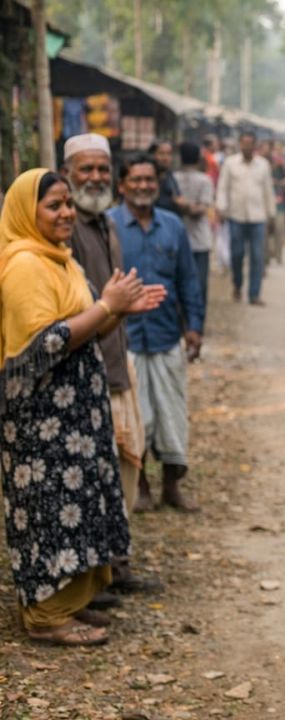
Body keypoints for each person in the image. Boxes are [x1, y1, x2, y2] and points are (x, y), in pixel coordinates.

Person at [0, 168, 163, 645]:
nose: (67, 212)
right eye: (54, 205)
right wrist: (106, 305)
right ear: (27, 214)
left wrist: (115, 311)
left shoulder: (61, 260)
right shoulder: (24, 265)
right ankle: (47, 617)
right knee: (50, 512)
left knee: (76, 507)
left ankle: (70, 601)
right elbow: (46, 343)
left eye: (68, 203)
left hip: (75, 419)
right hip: (40, 423)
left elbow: (85, 331)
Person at [63, 133, 165, 595]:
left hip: (118, 361)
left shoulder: (105, 224)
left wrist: (127, 306)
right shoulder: (65, 231)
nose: (95, 177)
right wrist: (113, 307)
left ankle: (116, 566)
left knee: (125, 467)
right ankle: (97, 574)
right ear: (68, 173)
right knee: (97, 475)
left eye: (102, 169)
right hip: (87, 369)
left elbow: (111, 299)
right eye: (86, 169)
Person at [108, 154, 206, 513]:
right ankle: (143, 487)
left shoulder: (172, 226)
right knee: (138, 418)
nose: (143, 186)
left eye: (149, 179)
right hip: (125, 340)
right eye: (135, 179)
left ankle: (171, 486)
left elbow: (188, 280)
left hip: (167, 336)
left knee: (172, 414)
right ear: (122, 185)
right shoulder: (108, 226)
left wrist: (194, 326)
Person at [215, 130, 274, 305]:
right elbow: (222, 188)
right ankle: (237, 285)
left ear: (255, 145)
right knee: (237, 254)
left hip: (258, 217)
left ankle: (254, 294)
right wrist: (221, 208)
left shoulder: (263, 165)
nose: (247, 147)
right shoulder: (230, 164)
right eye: (244, 143)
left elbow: (268, 191)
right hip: (236, 216)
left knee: (257, 256)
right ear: (240, 145)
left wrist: (270, 215)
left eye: (250, 143)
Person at [172, 142, 215, 306]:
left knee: (179, 283)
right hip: (199, 240)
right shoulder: (205, 180)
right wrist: (192, 207)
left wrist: (181, 205)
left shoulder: (173, 179)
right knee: (199, 285)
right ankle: (197, 324)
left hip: (178, 240)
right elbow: (203, 208)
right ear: (198, 159)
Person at [267, 139, 285, 263]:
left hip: (280, 202)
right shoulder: (263, 165)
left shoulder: (282, 163)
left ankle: (278, 255)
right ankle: (267, 255)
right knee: (267, 232)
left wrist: (279, 183)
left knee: (279, 229)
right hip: (266, 204)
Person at [148, 140, 187, 218]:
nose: (165, 158)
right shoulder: (148, 177)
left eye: (169, 154)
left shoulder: (169, 175)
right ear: (153, 155)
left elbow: (178, 198)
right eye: (161, 154)